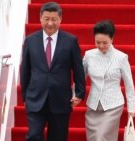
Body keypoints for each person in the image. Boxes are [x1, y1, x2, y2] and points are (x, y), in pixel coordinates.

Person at [20, 2, 86, 141]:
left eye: (54, 19)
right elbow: (25, 69)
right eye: (46, 19)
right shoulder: (31, 40)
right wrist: (25, 95)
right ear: (40, 18)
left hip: (61, 99)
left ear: (60, 19)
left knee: (58, 137)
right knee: (34, 135)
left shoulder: (70, 41)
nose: (50, 23)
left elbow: (78, 69)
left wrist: (79, 93)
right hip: (35, 98)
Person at [83, 20, 135, 141]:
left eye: (105, 43)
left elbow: (129, 85)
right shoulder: (89, 55)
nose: (101, 46)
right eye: (98, 42)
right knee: (93, 138)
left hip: (113, 104)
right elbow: (81, 79)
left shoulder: (121, 57)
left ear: (112, 39)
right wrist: (74, 95)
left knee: (102, 137)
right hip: (93, 105)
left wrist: (131, 108)